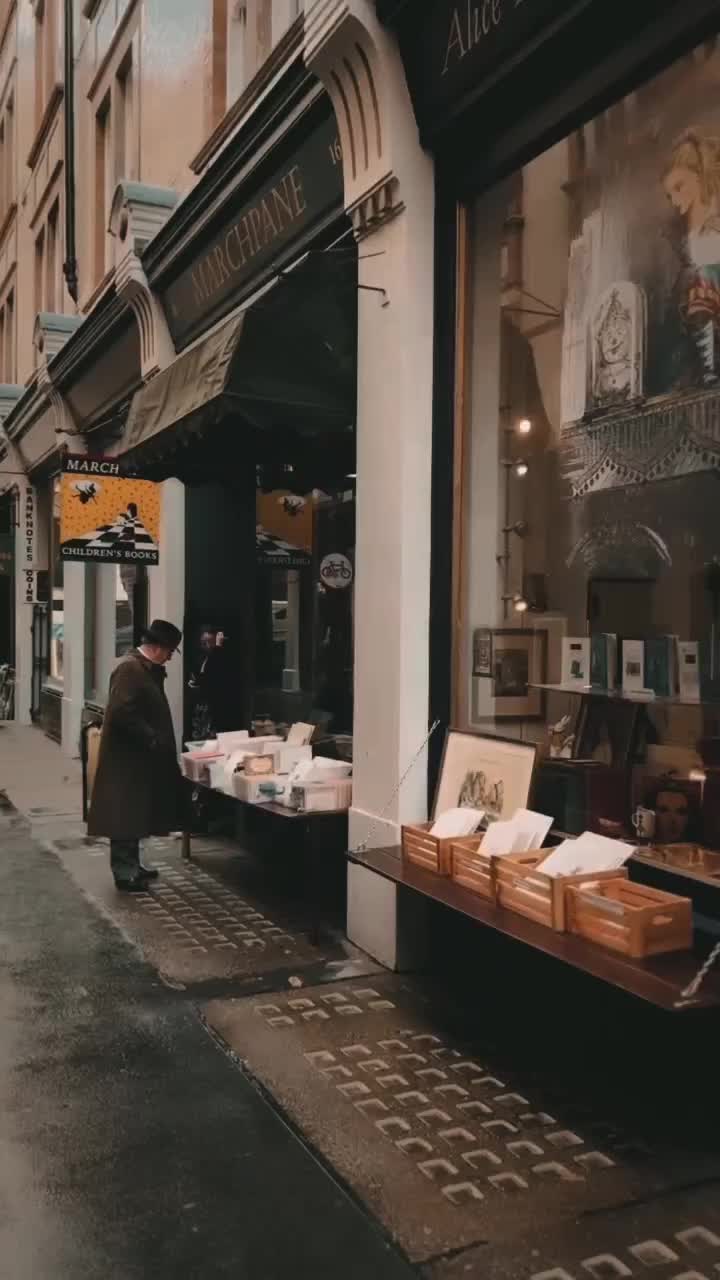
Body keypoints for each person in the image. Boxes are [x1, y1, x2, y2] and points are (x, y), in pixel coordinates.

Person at [87, 619, 183, 891]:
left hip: (137, 758)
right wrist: (150, 737)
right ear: (156, 648)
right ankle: (124, 872)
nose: (170, 658)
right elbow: (121, 711)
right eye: (170, 651)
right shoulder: (130, 669)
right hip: (126, 759)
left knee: (134, 813)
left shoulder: (144, 668)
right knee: (124, 815)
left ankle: (133, 865)